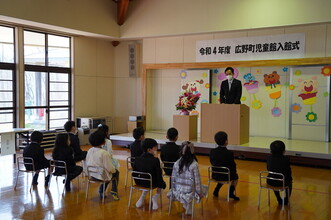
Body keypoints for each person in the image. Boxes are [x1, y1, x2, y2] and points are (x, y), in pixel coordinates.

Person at [167, 141, 207, 215]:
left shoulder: (176, 163)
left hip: (177, 190)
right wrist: (200, 193)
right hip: (189, 191)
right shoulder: (194, 165)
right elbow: (197, 182)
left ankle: (186, 204)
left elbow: (173, 179)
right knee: (204, 188)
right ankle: (187, 205)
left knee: (190, 187)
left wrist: (174, 189)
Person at [133, 138, 166, 210]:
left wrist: (138, 183)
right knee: (163, 184)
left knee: (147, 180)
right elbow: (158, 175)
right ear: (149, 150)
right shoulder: (155, 160)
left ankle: (142, 197)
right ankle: (155, 197)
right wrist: (161, 185)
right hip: (152, 183)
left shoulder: (137, 159)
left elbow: (134, 174)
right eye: (155, 148)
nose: (156, 149)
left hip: (141, 182)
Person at [86, 130, 119, 200]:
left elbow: (87, 162)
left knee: (107, 173)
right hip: (101, 176)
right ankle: (114, 191)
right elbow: (110, 168)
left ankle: (102, 190)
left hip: (91, 175)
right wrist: (114, 170)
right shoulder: (104, 153)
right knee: (116, 173)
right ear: (103, 142)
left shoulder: (90, 150)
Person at [209, 131, 240, 200]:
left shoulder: (212, 151)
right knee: (235, 177)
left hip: (215, 174)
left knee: (223, 173)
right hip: (225, 175)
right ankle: (231, 193)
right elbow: (232, 165)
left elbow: (211, 162)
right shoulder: (229, 153)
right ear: (226, 141)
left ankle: (216, 190)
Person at [267, 140, 292, 205]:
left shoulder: (269, 158)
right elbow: (288, 171)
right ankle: (286, 199)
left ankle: (278, 198)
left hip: (270, 181)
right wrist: (290, 179)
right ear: (283, 151)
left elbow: (268, 168)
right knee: (290, 182)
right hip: (282, 182)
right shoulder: (286, 159)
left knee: (274, 179)